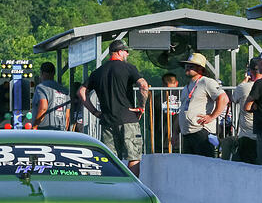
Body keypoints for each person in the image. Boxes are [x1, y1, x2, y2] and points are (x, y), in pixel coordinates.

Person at [79, 39, 149, 177]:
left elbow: (81, 92)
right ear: (119, 52)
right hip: (128, 119)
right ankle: (132, 191)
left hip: (107, 121)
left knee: (110, 159)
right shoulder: (129, 68)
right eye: (126, 51)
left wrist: (95, 112)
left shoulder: (98, 72)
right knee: (133, 157)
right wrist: (141, 107)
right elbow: (144, 86)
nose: (127, 54)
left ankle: (113, 189)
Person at [177, 53, 228, 157]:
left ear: (200, 69)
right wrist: (174, 132)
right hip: (187, 133)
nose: (187, 68)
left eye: (191, 66)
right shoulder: (186, 87)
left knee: (204, 166)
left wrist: (212, 116)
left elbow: (223, 98)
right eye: (186, 65)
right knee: (190, 167)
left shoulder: (207, 82)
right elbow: (182, 110)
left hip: (201, 132)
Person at [221, 58, 259, 163]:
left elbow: (233, 99)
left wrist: (244, 81)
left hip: (247, 136)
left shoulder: (244, 87)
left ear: (250, 71)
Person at [31, 62, 70, 130]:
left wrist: (34, 126)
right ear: (54, 73)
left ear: (41, 73)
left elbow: (43, 108)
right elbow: (67, 115)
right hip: (61, 130)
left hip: (45, 130)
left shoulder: (41, 87)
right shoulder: (65, 91)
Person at [155, 73, 181, 153]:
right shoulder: (183, 96)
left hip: (161, 139)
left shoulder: (156, 98)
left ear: (163, 83)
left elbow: (153, 119)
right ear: (176, 83)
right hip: (179, 139)